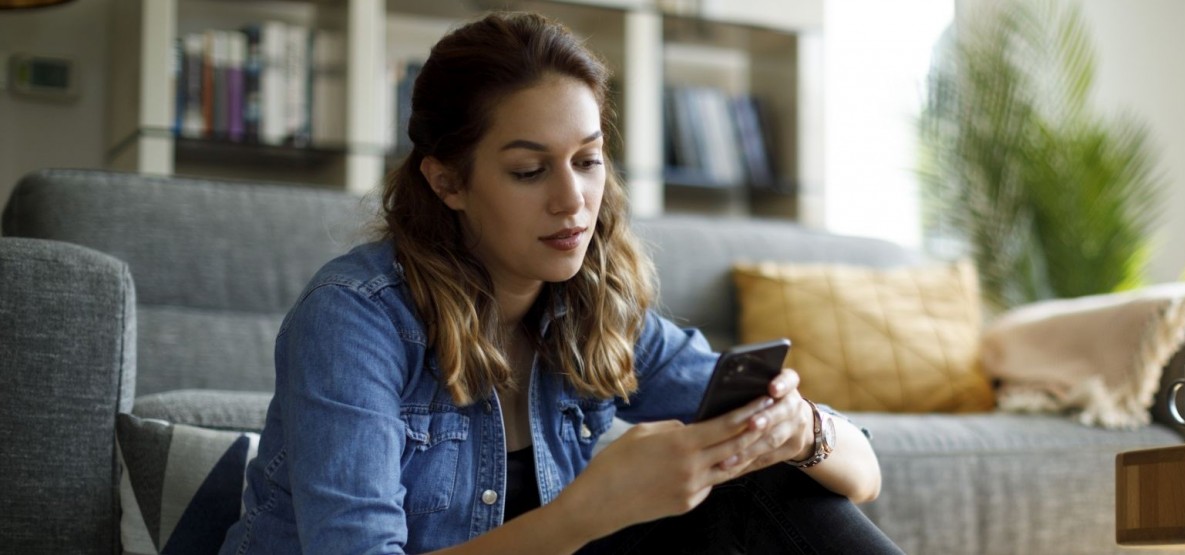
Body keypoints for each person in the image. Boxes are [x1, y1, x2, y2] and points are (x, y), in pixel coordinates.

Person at [217, 11, 901, 555]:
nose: (574, 201)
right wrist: (588, 512)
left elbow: (862, 475)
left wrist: (798, 430)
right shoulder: (352, 320)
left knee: (764, 486)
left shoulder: (594, 308)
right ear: (446, 179)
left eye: (588, 160)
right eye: (529, 170)